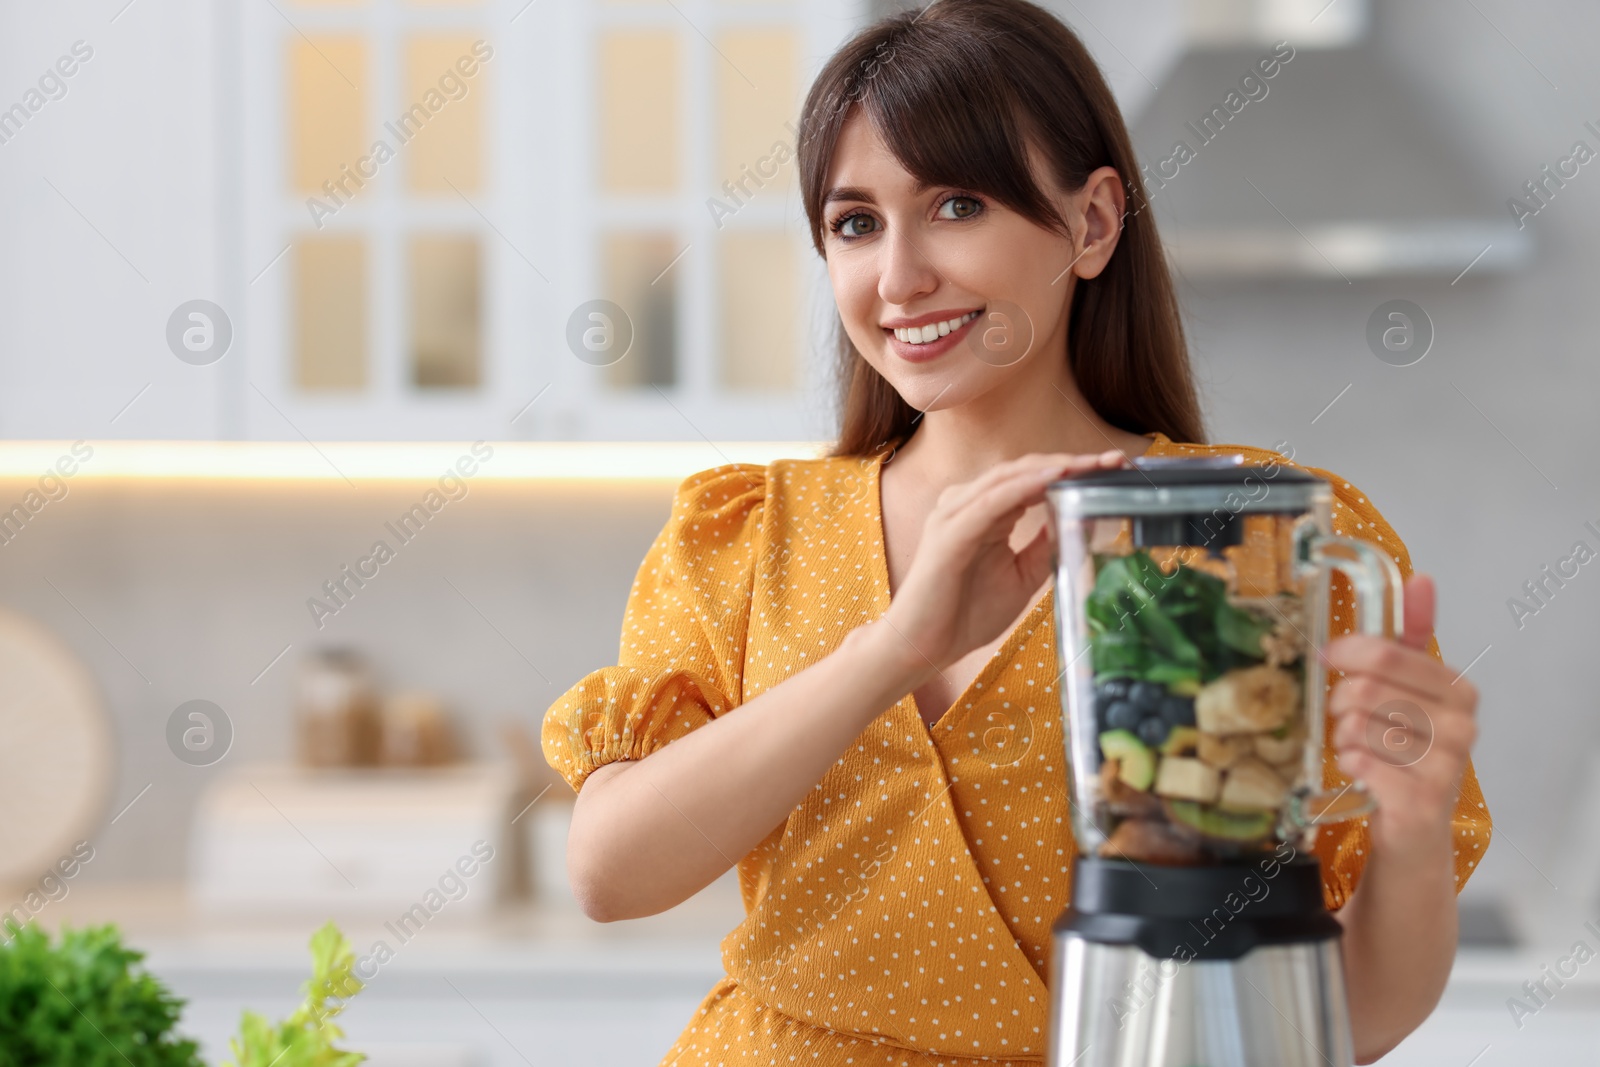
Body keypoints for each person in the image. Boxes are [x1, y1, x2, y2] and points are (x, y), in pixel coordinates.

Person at [541, 1, 1491, 1063]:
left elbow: (1343, 1021)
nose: (898, 277)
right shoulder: (751, 534)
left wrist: (1407, 831)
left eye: (955, 204)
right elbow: (609, 873)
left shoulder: (1240, 539)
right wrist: (896, 647)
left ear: (1091, 225)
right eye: (855, 222)